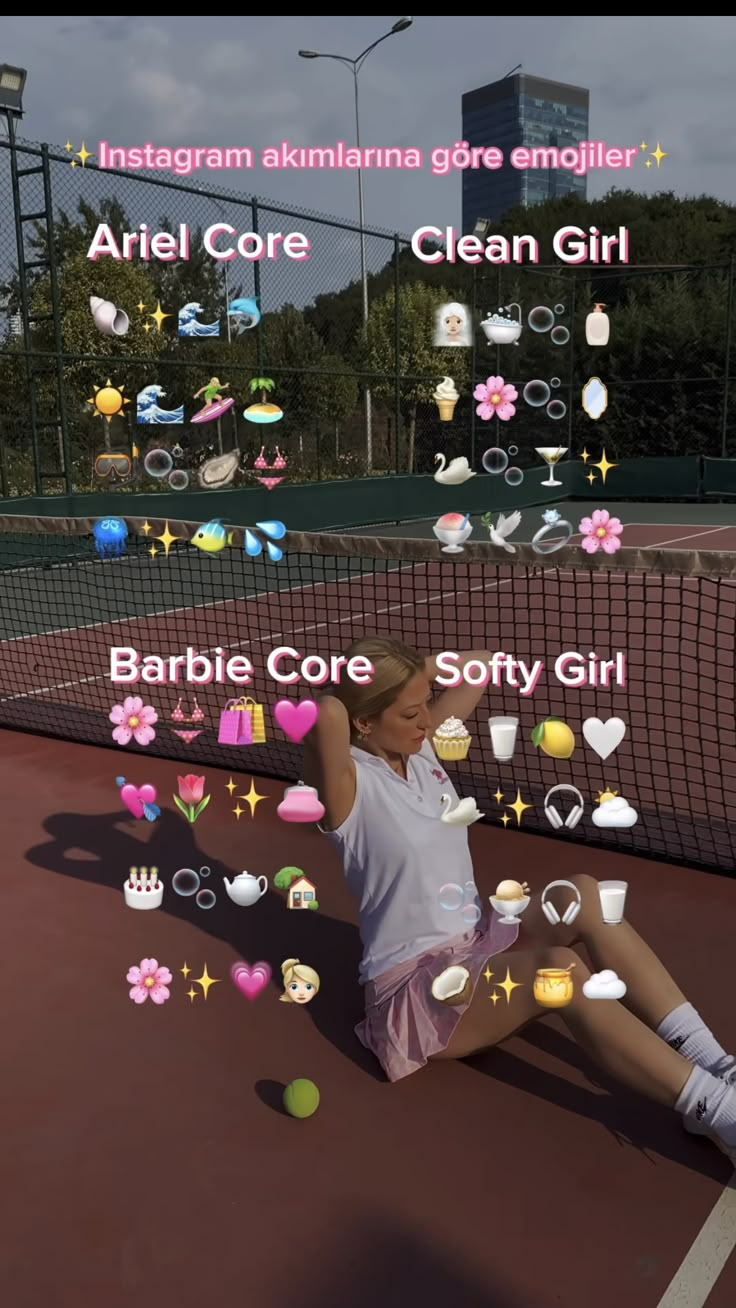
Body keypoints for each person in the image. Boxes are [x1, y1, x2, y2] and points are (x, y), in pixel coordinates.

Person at [304, 636, 736, 1162]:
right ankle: (717, 1111)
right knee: (560, 972)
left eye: (426, 707)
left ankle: (718, 1065)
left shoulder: (423, 753)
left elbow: (479, 668)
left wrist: (419, 674)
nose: (425, 722)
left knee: (584, 895)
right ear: (365, 723)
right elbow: (326, 710)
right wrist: (400, 674)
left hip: (475, 948)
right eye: (411, 712)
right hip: (417, 992)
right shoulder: (347, 789)